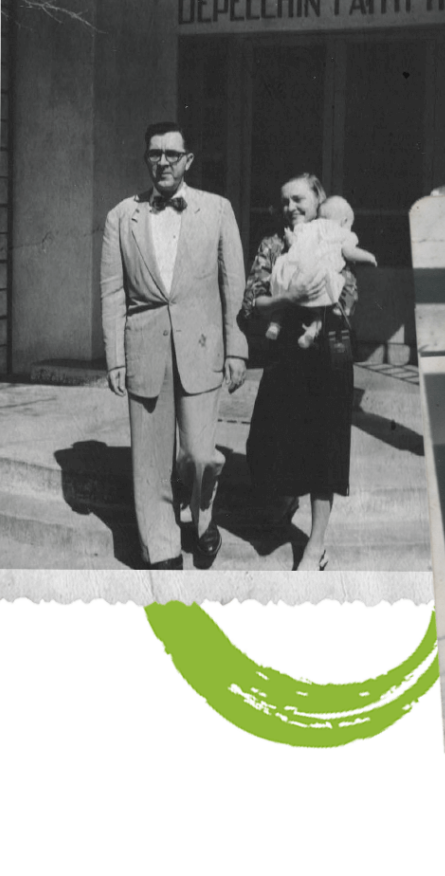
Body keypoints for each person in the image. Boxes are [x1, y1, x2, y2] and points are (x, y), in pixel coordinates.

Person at [100, 122, 248, 570]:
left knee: (200, 454)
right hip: (144, 348)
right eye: (154, 153)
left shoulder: (218, 209)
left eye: (171, 153)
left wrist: (236, 345)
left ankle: (202, 518)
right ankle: (160, 547)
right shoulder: (120, 216)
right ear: (146, 160)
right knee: (148, 461)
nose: (162, 161)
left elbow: (233, 284)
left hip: (202, 346)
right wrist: (115, 357)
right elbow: (111, 293)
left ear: (188, 160)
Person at [239, 174, 358, 572]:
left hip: (327, 357)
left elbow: (348, 295)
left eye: (299, 199)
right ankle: (284, 499)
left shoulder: (335, 237)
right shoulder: (272, 245)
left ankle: (316, 544)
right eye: (285, 200)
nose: (291, 207)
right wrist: (288, 297)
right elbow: (251, 303)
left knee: (323, 452)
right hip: (284, 355)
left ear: (318, 200)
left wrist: (321, 303)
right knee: (262, 444)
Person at [266, 195, 377, 349]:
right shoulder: (343, 233)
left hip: (294, 270)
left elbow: (295, 243)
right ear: (344, 221)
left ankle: (275, 324)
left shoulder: (310, 227)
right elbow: (349, 252)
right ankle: (313, 331)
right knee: (321, 310)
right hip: (319, 275)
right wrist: (369, 257)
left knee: (283, 298)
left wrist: (290, 238)